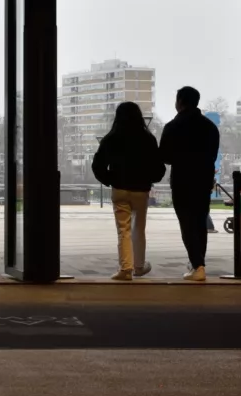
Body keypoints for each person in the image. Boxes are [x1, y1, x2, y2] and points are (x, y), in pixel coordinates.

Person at [91, 102, 166, 281]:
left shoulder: (112, 138)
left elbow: (98, 165)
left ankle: (125, 268)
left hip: (120, 188)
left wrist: (110, 180)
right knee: (138, 228)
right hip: (141, 189)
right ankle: (139, 267)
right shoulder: (148, 138)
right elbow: (159, 167)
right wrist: (149, 179)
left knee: (123, 229)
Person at [159, 86, 220, 282]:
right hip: (203, 180)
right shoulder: (210, 127)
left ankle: (197, 265)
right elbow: (212, 155)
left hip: (182, 180)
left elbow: (165, 156)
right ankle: (198, 262)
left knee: (187, 223)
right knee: (200, 222)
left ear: (180, 102)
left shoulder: (172, 127)